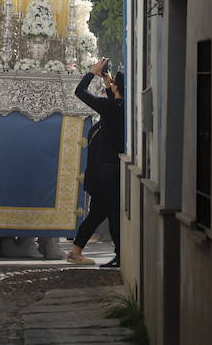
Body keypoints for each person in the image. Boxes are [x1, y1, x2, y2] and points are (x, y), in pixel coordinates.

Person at [68, 58, 124, 268]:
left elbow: (80, 91)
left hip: (107, 169)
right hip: (110, 167)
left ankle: (118, 254)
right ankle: (76, 251)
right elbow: (115, 98)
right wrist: (110, 82)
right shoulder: (120, 106)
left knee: (109, 213)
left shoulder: (110, 107)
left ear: (117, 88)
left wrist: (91, 73)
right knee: (102, 213)